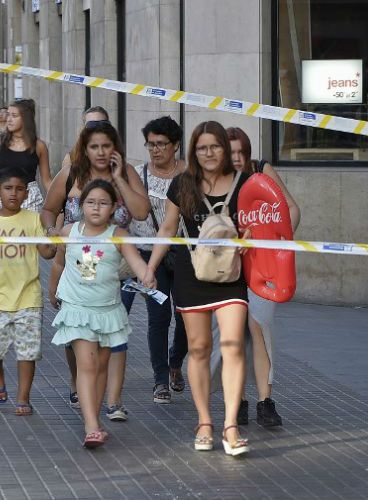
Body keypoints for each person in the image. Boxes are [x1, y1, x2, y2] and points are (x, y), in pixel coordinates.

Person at [144, 120, 251, 456]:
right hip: (192, 276)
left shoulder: (244, 182)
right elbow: (167, 228)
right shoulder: (183, 184)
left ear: (225, 149)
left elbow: (264, 222)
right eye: (202, 147)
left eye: (215, 146)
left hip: (232, 276)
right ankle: (205, 421)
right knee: (200, 348)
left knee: (233, 345)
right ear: (194, 150)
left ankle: (230, 426)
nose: (209, 153)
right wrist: (149, 268)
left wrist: (253, 239)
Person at [41, 115, 150, 420]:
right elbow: (49, 210)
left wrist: (118, 179)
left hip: (118, 268)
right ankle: (80, 384)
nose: (101, 152)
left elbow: (141, 212)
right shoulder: (71, 174)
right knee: (77, 331)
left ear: (115, 149)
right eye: (94, 146)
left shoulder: (125, 172)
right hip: (77, 267)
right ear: (84, 149)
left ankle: (113, 401)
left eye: (107, 146)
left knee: (114, 334)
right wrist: (52, 236)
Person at [49, 179, 152, 448]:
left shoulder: (118, 235)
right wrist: (48, 232)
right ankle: (91, 425)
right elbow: (53, 257)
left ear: (114, 208)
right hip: (77, 308)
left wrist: (147, 275)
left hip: (108, 310)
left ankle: (93, 418)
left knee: (102, 365)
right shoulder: (69, 231)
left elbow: (136, 261)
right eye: (91, 202)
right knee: (88, 364)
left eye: (103, 203)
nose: (96, 208)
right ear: (81, 206)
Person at [209, 126, 301, 427]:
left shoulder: (261, 171)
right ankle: (240, 402)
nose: (235, 158)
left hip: (264, 268)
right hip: (232, 270)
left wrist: (279, 248)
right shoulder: (217, 181)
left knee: (259, 327)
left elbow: (290, 209)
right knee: (233, 334)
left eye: (240, 152)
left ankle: (265, 401)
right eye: (229, 151)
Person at [0, 167, 56, 415]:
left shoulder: (33, 219)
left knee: (28, 350)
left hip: (28, 296)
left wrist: (56, 241)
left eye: (19, 189)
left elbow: (46, 252)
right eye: (8, 188)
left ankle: (23, 398)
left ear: (26, 193)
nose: (13, 194)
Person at [128, 116, 189, 405]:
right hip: (148, 253)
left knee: (187, 316)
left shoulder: (189, 173)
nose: (155, 150)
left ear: (175, 145)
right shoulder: (139, 174)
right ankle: (160, 380)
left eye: (161, 144)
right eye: (151, 144)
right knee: (158, 316)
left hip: (184, 254)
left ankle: (176, 361)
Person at [0, 99, 51, 212]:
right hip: (2, 197)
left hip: (30, 199)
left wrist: (58, 202)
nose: (9, 119)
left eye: (14, 115)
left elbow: (46, 181)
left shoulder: (39, 146)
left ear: (25, 118)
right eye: (8, 115)